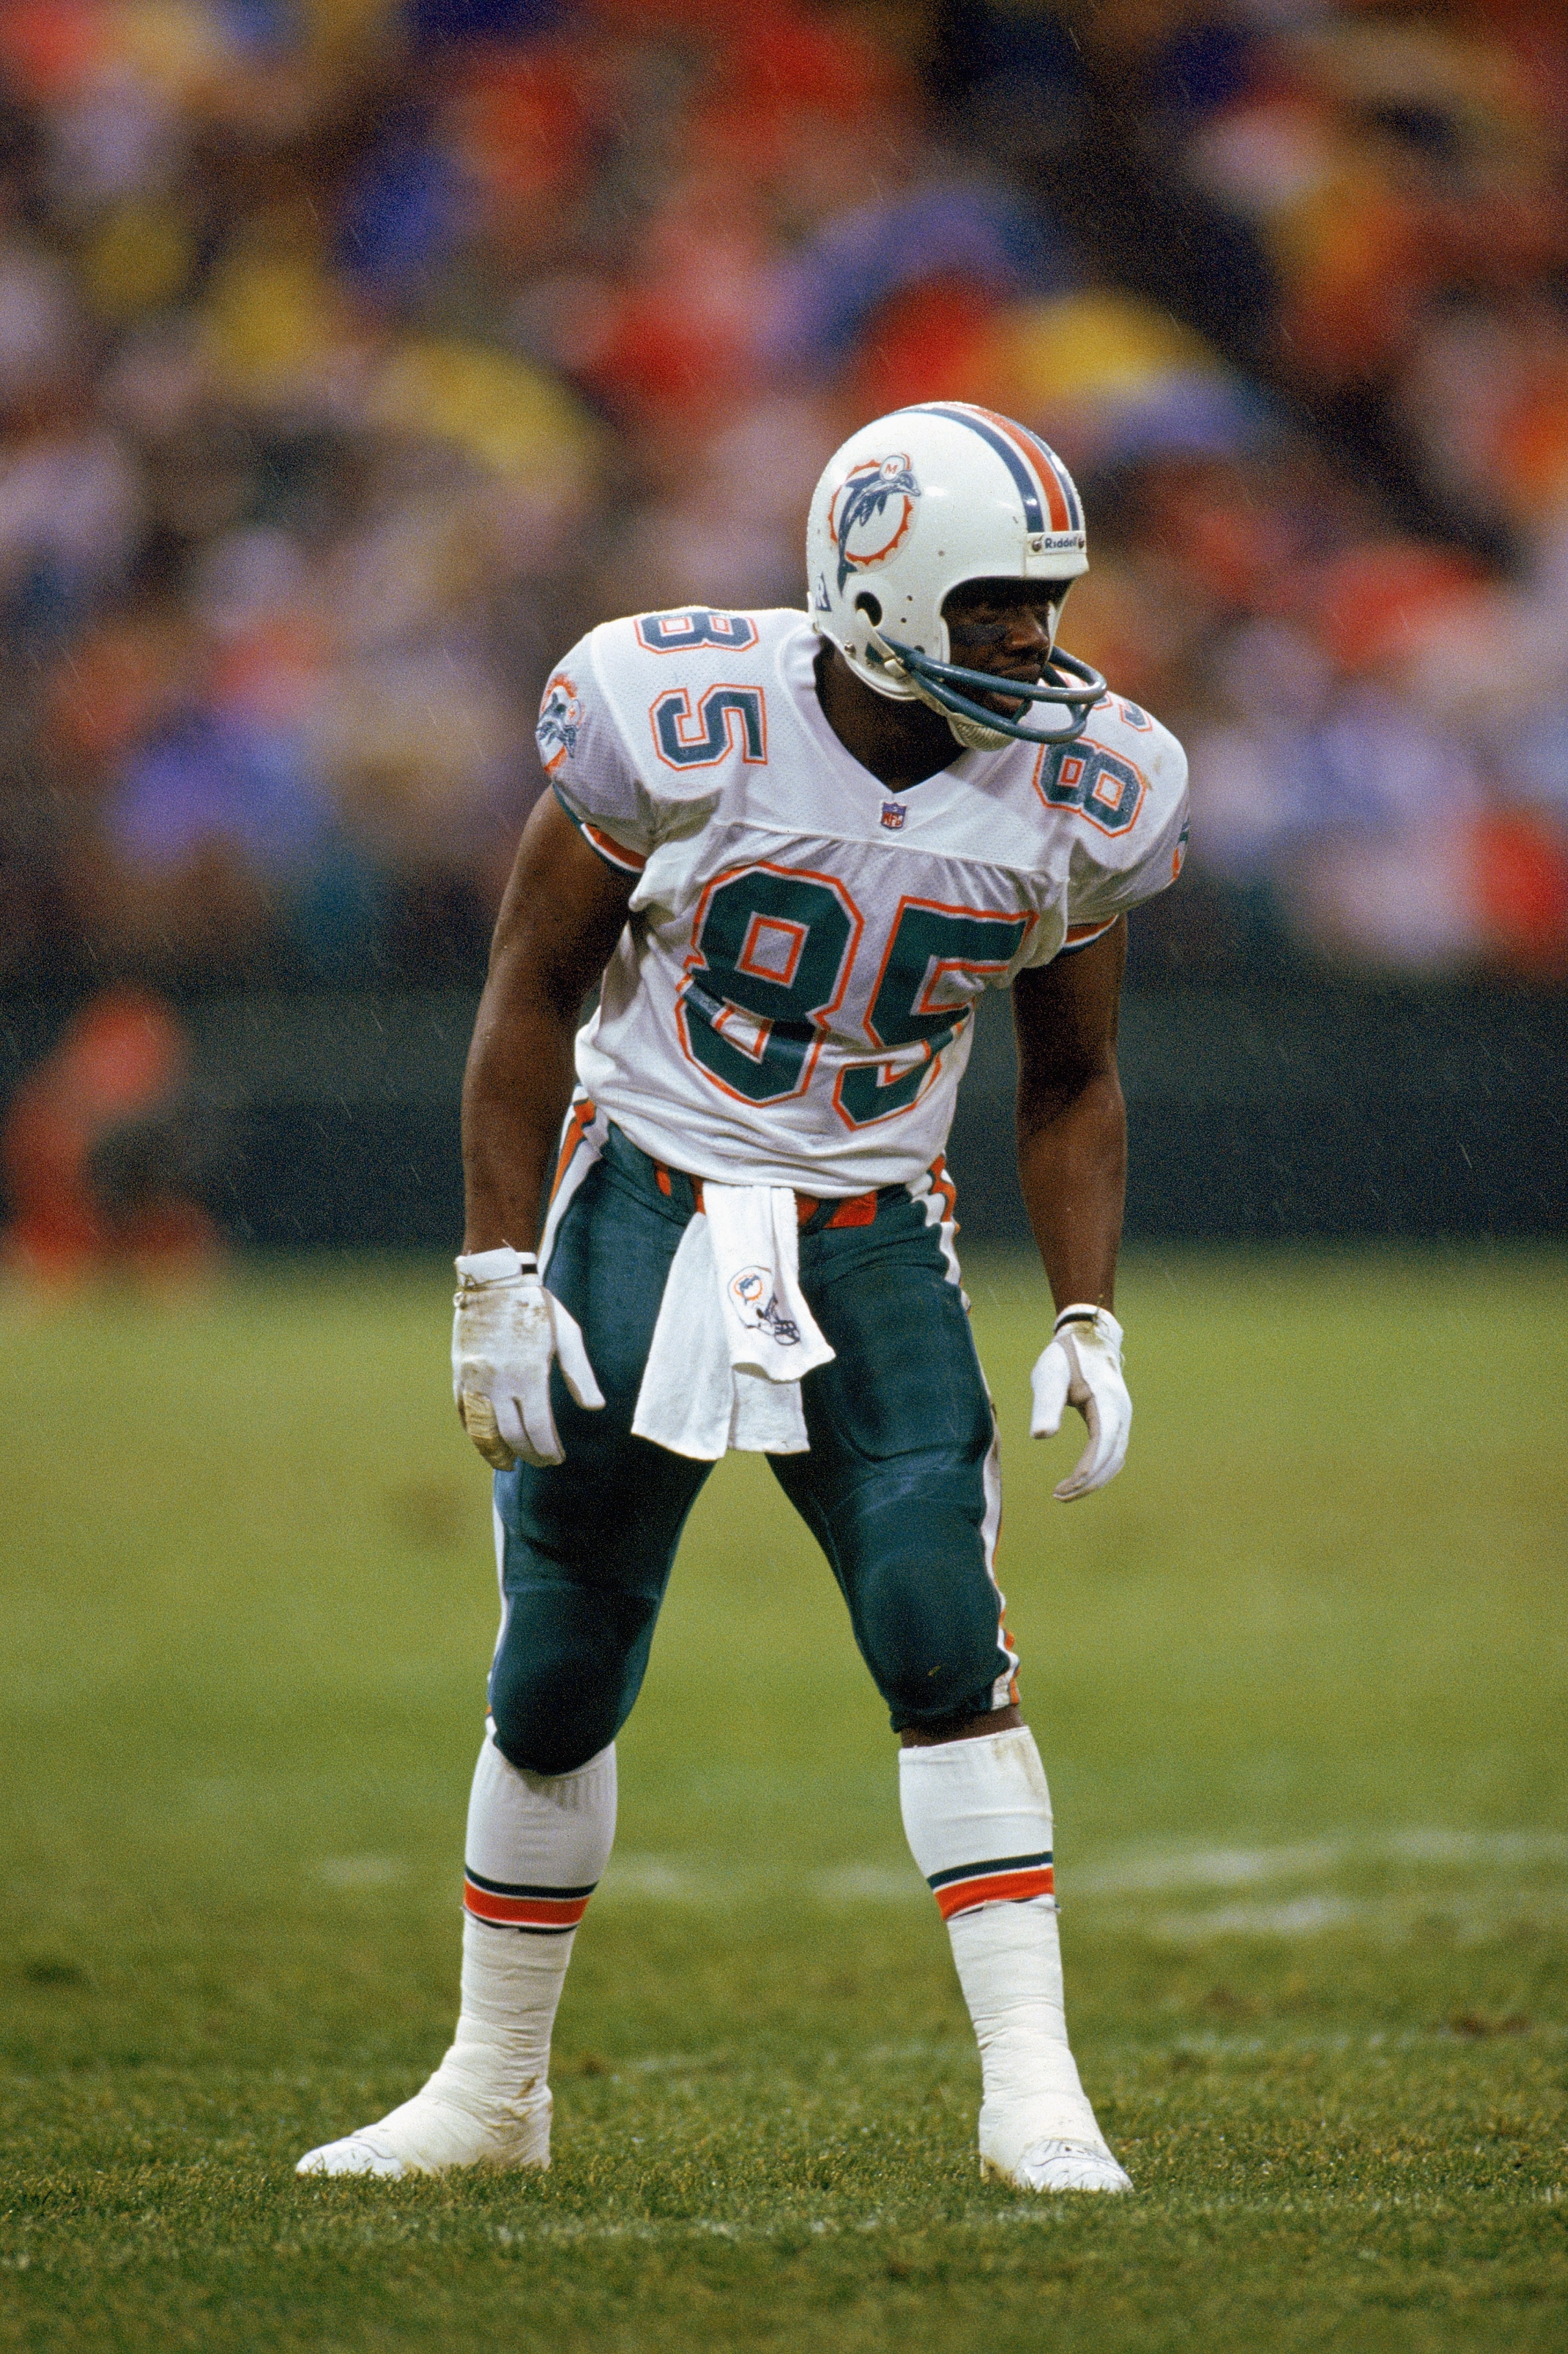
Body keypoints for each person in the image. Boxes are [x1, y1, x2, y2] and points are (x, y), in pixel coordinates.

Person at [298, 403, 1189, 2194]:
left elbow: (1070, 1077)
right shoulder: (677, 710)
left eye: (1047, 602)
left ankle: (1035, 2090)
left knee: (946, 1636)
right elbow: (525, 992)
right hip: (643, 1198)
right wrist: (495, 1272)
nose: (1041, 643)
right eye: (1000, 607)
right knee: (555, 1669)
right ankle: (492, 2092)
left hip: (869, 1230)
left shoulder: (1085, 788)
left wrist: (1085, 1311)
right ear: (878, 595)